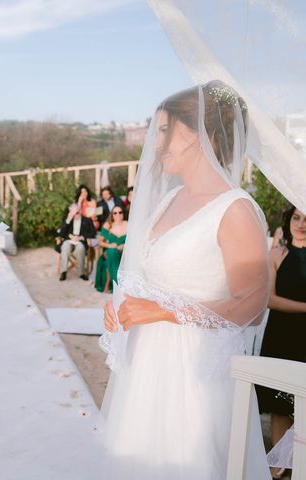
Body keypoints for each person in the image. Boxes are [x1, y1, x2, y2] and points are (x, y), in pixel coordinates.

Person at [99, 81, 271, 479]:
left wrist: (164, 312)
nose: (156, 143)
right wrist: (122, 303)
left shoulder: (235, 210)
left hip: (193, 378)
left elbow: (252, 302)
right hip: (145, 369)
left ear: (196, 135)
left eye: (164, 131)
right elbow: (145, 273)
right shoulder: (167, 199)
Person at [256, 204, 306, 479]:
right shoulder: (276, 254)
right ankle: (279, 467)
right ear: (288, 220)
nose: (301, 223)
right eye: (296, 217)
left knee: (302, 400)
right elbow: (269, 299)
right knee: (279, 403)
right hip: (281, 334)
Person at [57, 203, 96, 281]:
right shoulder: (68, 219)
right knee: (65, 245)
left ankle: (81, 273)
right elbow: (61, 234)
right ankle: (63, 272)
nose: (75, 215)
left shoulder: (87, 220)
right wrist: (68, 220)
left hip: (80, 242)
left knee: (80, 248)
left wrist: (82, 237)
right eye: (73, 213)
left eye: (77, 212)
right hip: (69, 240)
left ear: (80, 211)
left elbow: (93, 233)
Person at [95, 204, 127, 293]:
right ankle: (118, 285)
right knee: (112, 251)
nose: (118, 215)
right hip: (110, 252)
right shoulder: (108, 225)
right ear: (112, 215)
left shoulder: (127, 224)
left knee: (115, 252)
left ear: (123, 213)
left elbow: (133, 241)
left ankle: (118, 285)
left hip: (124, 252)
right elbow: (100, 241)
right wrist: (110, 245)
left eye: (120, 212)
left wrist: (124, 246)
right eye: (115, 213)